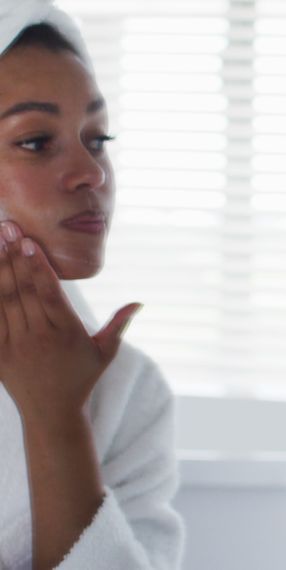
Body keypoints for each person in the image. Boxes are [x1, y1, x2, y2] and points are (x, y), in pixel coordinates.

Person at [0, 3, 183, 569]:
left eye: (98, 138)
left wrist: (56, 421)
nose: (92, 172)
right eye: (36, 141)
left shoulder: (128, 392)